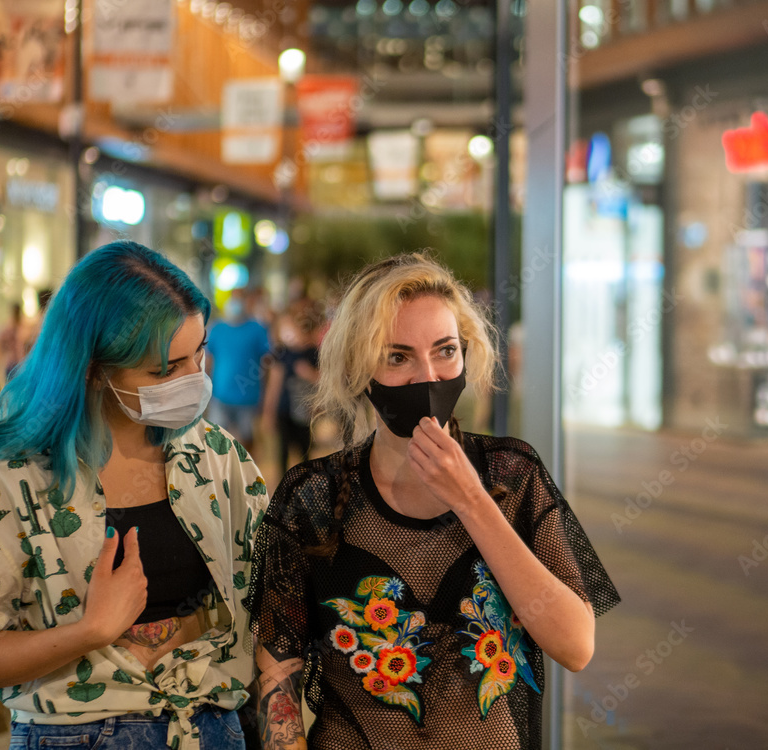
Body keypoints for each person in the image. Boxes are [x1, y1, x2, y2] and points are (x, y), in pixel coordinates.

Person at [245, 254, 620, 749]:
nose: (428, 376)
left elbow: (575, 645)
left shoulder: (514, 474)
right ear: (359, 370)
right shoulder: (310, 498)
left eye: (445, 350)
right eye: (397, 357)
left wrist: (472, 501)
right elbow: (278, 683)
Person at [0, 241, 268, 750]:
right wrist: (91, 631)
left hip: (210, 728)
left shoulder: (213, 455)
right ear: (94, 368)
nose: (196, 382)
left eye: (200, 352)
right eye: (165, 370)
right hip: (74, 734)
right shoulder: (3, 477)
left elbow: (268, 595)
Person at [260, 300, 322, 478]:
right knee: (283, 451)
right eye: (284, 329)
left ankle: (304, 483)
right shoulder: (280, 354)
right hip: (284, 410)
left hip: (305, 412)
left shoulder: (312, 352)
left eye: (292, 328)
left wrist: (309, 373)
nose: (289, 333)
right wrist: (268, 413)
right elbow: (274, 385)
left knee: (305, 451)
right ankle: (283, 484)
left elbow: (323, 380)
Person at [206, 289, 271, 455]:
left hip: (248, 398)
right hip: (220, 396)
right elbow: (208, 360)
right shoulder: (217, 328)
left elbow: (268, 363)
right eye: (233, 299)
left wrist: (266, 395)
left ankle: (248, 475)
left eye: (239, 299)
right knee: (216, 441)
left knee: (247, 440)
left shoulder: (257, 329)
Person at [0, 301, 27, 382]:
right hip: (13, 361)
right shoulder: (10, 327)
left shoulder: (22, 326)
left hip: (19, 361)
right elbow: (0, 344)